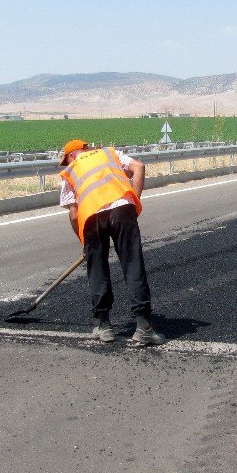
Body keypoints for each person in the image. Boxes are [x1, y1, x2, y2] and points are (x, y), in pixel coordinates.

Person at [58, 139, 166, 345]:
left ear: (72, 155)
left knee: (97, 267)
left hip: (91, 216)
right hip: (122, 209)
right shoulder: (109, 153)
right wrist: (134, 201)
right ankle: (144, 326)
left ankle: (103, 326)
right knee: (132, 263)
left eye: (67, 158)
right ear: (87, 149)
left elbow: (73, 214)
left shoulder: (71, 171)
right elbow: (139, 167)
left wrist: (84, 243)